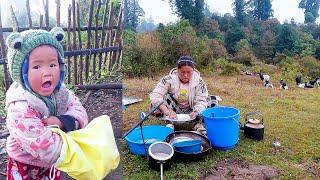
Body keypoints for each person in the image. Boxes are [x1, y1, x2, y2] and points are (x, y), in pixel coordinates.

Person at [5, 27, 88, 179]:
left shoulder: (61, 93)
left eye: (52, 64)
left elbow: (80, 111)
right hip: (25, 165)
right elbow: (42, 144)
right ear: (22, 73)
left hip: (51, 165)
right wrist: (77, 152)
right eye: (37, 66)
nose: (47, 72)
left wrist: (61, 121)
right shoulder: (20, 105)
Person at [149, 55, 209, 134]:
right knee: (157, 104)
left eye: (189, 72)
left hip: (192, 109)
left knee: (211, 101)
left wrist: (196, 111)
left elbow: (202, 99)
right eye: (182, 72)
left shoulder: (199, 81)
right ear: (177, 70)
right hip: (173, 109)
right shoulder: (168, 79)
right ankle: (170, 123)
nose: (185, 75)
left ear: (193, 70)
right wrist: (167, 111)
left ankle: (197, 124)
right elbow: (155, 95)